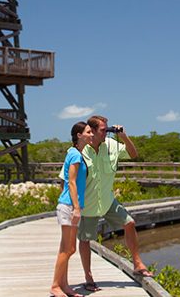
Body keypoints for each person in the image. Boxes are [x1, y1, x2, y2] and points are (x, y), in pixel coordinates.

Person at [60, 115, 153, 293]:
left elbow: (133, 154)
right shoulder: (80, 150)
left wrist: (124, 136)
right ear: (92, 131)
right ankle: (88, 277)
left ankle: (137, 263)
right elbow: (67, 180)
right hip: (88, 204)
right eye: (103, 130)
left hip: (108, 200)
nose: (107, 132)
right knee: (85, 240)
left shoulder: (110, 145)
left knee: (130, 223)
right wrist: (72, 207)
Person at [50, 121, 93, 297]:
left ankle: (64, 285)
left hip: (71, 206)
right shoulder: (75, 155)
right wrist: (76, 208)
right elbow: (71, 182)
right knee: (68, 249)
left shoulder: (76, 153)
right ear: (79, 135)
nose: (92, 134)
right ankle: (54, 286)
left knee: (67, 248)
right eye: (89, 132)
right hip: (69, 206)